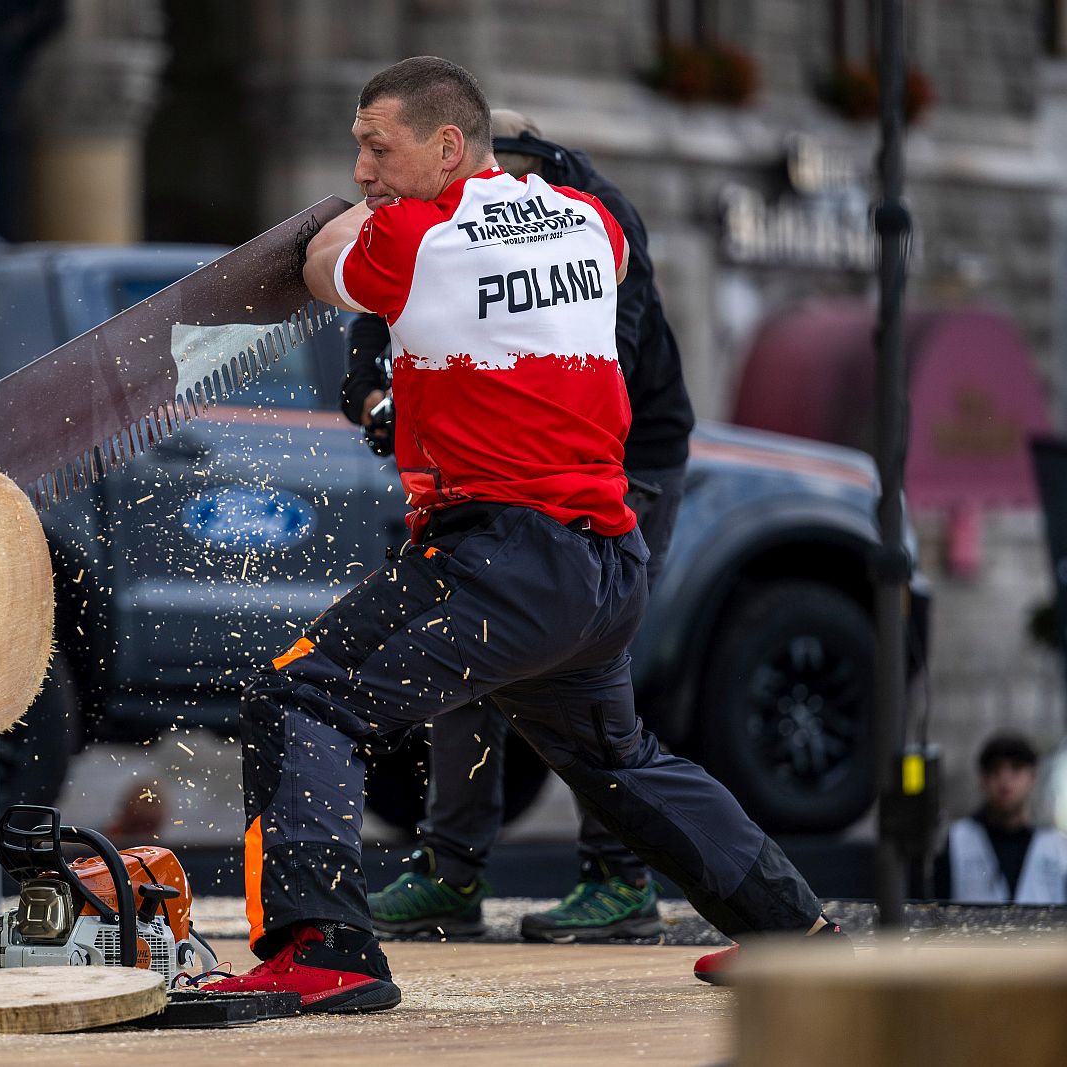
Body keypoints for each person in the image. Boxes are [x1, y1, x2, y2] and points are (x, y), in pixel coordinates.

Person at [202, 56, 840, 1013]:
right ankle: (796, 933)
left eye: (379, 148)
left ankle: (324, 948)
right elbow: (609, 257)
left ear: (448, 146)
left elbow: (316, 264)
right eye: (358, 156)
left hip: (500, 557)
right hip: (601, 562)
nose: (368, 172)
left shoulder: (411, 235)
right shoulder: (586, 219)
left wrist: (335, 216)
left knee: (302, 697)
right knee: (618, 761)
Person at [344, 109, 696, 943]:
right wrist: (375, 395)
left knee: (584, 663)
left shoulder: (591, 216)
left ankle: (621, 878)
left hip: (614, 462)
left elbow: (601, 353)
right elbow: (379, 317)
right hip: (504, 472)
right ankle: (451, 872)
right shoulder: (442, 216)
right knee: (472, 652)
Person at [932, 734, 1067, 904]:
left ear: (1033, 777)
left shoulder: (1057, 848)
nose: (1005, 780)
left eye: (1016, 768)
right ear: (983, 779)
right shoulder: (953, 841)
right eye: (995, 770)